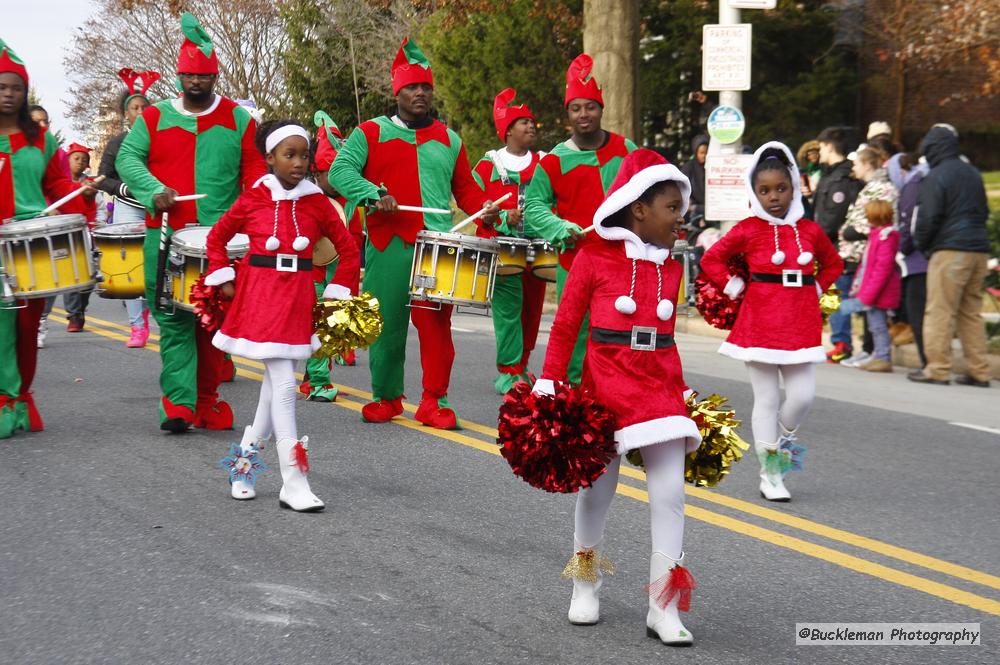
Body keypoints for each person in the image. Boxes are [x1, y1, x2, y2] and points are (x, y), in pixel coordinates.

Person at [535, 149, 701, 645]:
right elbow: (565, 326)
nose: (680, 217)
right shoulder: (592, 256)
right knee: (597, 493)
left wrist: (683, 389)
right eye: (672, 207)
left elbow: (667, 338)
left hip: (659, 389)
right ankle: (585, 586)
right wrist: (549, 382)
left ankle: (664, 605)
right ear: (639, 210)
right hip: (603, 388)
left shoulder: (672, 266)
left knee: (670, 494)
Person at [328, 37, 500, 430]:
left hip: (437, 246)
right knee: (384, 324)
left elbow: (467, 191)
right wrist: (373, 194)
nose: (419, 93)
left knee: (436, 328)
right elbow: (340, 172)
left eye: (425, 86)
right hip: (388, 244)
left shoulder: (449, 139)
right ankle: (386, 397)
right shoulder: (369, 132)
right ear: (397, 91)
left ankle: (433, 400)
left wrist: (488, 210)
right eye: (411, 87)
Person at [116, 13, 266, 433]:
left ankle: (207, 400)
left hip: (221, 241)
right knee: (173, 319)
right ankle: (178, 404)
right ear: (179, 75)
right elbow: (129, 159)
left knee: (215, 321)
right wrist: (152, 190)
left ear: (215, 76)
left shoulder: (239, 119)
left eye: (203, 76)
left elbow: (255, 171)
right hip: (165, 236)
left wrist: (249, 213)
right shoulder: (154, 117)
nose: (195, 83)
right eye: (188, 76)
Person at [206, 120, 359, 511]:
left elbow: (349, 250)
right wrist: (223, 275)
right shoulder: (253, 198)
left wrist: (339, 293)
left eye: (304, 155)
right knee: (286, 386)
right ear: (270, 157)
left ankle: (242, 468)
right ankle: (294, 480)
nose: (298, 163)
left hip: (297, 297)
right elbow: (217, 237)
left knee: (273, 391)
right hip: (261, 297)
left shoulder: (317, 203)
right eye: (289, 155)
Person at [700, 143, 843, 502]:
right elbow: (712, 259)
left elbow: (834, 263)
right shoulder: (748, 229)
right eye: (764, 190)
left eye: (780, 188)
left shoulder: (810, 230)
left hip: (800, 323)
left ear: (794, 186)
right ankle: (771, 473)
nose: (773, 197)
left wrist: (817, 288)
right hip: (759, 322)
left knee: (803, 397)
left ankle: (780, 446)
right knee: (765, 399)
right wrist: (734, 286)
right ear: (754, 192)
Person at [522, 54, 637, 383]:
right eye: (576, 108)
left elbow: (648, 191)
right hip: (576, 259)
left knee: (621, 329)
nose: (584, 114)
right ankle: (575, 399)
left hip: (623, 258)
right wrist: (560, 227)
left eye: (590, 106)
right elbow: (534, 208)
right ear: (567, 114)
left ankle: (619, 396)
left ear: (601, 109)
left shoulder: (626, 149)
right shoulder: (555, 160)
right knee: (575, 334)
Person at [0, 37, 93, 438]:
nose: (8, 94)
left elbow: (56, 184)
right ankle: (4, 397)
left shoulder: (41, 138)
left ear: (26, 93)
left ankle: (19, 397)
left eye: (15, 88)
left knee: (25, 322)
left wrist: (78, 203)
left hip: (30, 241)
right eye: (2, 87)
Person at [472, 88, 547, 393]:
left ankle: (523, 366)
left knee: (533, 308)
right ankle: (508, 369)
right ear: (508, 130)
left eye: (532, 122)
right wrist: (501, 217)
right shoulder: (487, 166)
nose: (531, 127)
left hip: (539, 246)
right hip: (504, 249)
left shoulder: (546, 162)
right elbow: (475, 205)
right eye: (524, 122)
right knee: (508, 309)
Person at [908, 125, 992, 387]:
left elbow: (928, 218)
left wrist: (923, 245)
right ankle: (980, 372)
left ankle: (938, 369)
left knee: (939, 311)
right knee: (971, 312)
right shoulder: (973, 173)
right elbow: (984, 210)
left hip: (950, 250)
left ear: (932, 149)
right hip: (978, 250)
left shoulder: (937, 175)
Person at [297, 111, 361, 402]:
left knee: (328, 327)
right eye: (328, 173)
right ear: (317, 173)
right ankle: (316, 381)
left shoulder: (351, 205)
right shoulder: (306, 199)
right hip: (310, 275)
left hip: (338, 278)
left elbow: (356, 244)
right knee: (315, 328)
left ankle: (316, 378)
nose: (335, 180)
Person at [96, 68, 160, 347]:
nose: (141, 111)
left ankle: (157, 313)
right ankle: (137, 325)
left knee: (156, 265)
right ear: (126, 114)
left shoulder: (162, 138)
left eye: (145, 107)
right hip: (128, 208)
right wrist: (121, 188)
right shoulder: (118, 143)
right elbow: (102, 178)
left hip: (157, 208)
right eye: (135, 108)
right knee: (129, 268)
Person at [836, 147, 898, 368]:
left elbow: (882, 265)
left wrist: (854, 232)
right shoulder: (868, 188)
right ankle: (870, 351)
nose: (853, 167)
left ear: (867, 164)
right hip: (861, 260)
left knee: (874, 317)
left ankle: (878, 354)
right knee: (868, 316)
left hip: (869, 265)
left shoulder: (883, 189)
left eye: (856, 163)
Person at [813, 127, 862, 363]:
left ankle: (842, 343)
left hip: (837, 249)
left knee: (836, 293)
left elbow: (832, 217)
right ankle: (839, 341)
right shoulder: (831, 175)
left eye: (821, 146)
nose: (819, 151)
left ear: (830, 146)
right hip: (830, 247)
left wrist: (815, 240)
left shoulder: (841, 179)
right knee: (832, 295)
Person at [851, 200, 901, 372]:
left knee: (879, 326)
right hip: (872, 290)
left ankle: (883, 357)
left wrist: (868, 294)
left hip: (879, 291)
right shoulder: (876, 235)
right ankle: (878, 355)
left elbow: (882, 268)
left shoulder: (886, 237)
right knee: (874, 325)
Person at [889, 152, 929, 365]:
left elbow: (908, 224)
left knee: (918, 313)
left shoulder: (912, 185)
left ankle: (928, 362)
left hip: (916, 261)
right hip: (928, 257)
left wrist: (901, 249)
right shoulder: (925, 179)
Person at [61, 142, 99, 332]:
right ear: (67, 160)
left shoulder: (90, 185)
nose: (80, 162)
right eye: (76, 158)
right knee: (71, 275)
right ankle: (73, 315)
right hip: (65, 234)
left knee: (87, 276)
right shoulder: (60, 183)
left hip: (86, 233)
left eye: (83, 160)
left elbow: (98, 208)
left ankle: (80, 309)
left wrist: (90, 194)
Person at [679, 134, 708, 223]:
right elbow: (682, 188)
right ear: (696, 152)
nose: (704, 156)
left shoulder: (712, 167)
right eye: (702, 153)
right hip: (692, 210)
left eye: (706, 153)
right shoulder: (689, 168)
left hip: (710, 208)